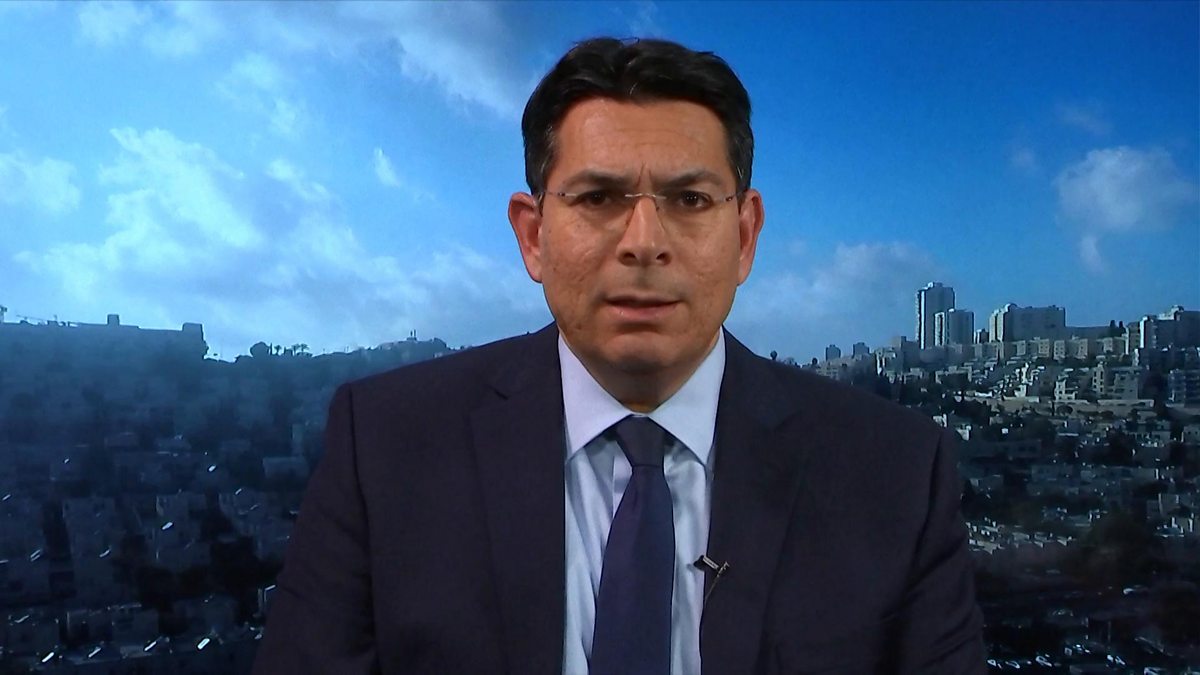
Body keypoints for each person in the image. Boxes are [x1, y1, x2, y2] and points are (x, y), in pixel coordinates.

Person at [252, 37, 986, 674]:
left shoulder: (896, 472)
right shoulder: (384, 446)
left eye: (690, 200)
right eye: (599, 198)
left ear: (745, 235)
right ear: (533, 236)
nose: (644, 242)